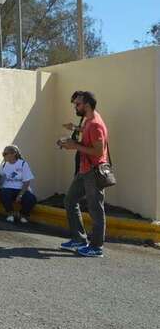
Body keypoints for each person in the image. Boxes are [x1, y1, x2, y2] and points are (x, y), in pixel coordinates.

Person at [59, 91, 109, 257]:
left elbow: (98, 151)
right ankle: (79, 239)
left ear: (86, 105)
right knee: (70, 200)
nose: (75, 106)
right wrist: (73, 133)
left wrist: (74, 146)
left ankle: (96, 247)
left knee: (95, 209)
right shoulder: (88, 121)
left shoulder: (95, 124)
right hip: (84, 170)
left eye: (78, 104)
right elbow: (85, 132)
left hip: (94, 172)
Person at [0, 145, 37, 223]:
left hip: (21, 189)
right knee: (2, 193)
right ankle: (10, 213)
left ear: (13, 154)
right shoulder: (3, 165)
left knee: (31, 199)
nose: (3, 155)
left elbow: (26, 182)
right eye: (3, 154)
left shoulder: (23, 164)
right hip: (7, 189)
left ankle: (23, 215)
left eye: (5, 153)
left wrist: (20, 194)